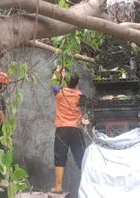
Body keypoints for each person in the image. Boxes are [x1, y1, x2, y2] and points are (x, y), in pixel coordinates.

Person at [50, 66, 87, 194]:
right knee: (81, 157)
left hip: (62, 129)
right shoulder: (81, 95)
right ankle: (88, 185)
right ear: (77, 83)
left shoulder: (59, 92)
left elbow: (54, 81)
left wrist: (59, 71)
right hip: (75, 129)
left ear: (65, 81)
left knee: (60, 157)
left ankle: (58, 187)